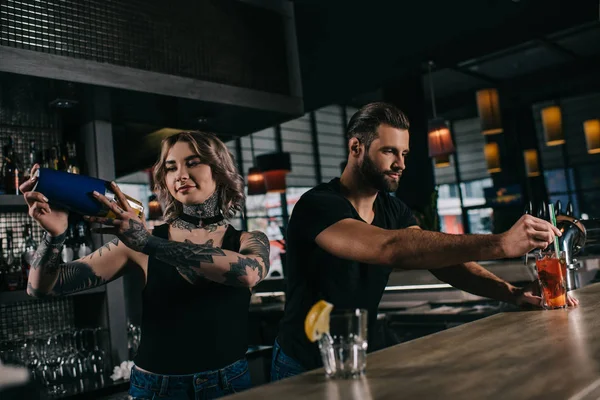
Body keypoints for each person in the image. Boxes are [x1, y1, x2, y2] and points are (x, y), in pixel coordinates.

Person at [271, 102, 578, 381]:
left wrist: (513, 294)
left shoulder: (393, 209)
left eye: (404, 154)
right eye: (390, 151)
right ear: (355, 147)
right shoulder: (318, 205)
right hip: (301, 363)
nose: (401, 164)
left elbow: (444, 264)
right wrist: (499, 244)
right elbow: (389, 248)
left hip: (356, 356)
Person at [20, 131, 271, 399]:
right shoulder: (136, 241)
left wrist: (148, 243)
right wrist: (54, 236)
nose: (180, 175)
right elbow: (41, 287)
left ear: (220, 171)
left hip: (228, 384)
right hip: (156, 389)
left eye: (193, 162)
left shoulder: (249, 240)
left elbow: (247, 273)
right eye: (171, 167)